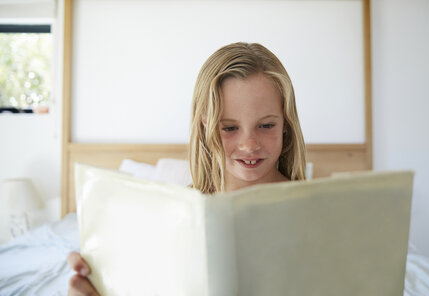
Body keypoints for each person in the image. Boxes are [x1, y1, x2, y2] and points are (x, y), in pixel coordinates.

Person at [67, 42, 307, 295]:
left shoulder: (317, 209)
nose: (249, 144)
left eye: (266, 125)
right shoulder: (173, 218)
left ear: (285, 124)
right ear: (205, 126)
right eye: (229, 128)